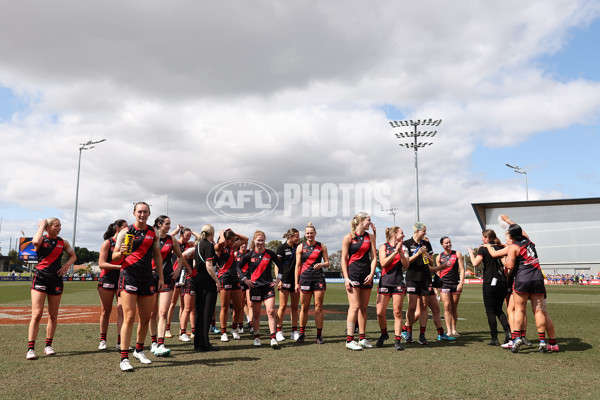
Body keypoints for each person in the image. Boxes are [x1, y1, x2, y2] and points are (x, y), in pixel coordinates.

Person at [485, 215, 559, 353]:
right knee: (539, 311)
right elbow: (521, 230)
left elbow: (509, 265)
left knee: (518, 309)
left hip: (523, 280)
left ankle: (516, 338)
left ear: (512, 237)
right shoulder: (528, 240)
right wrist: (508, 221)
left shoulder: (513, 247)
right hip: (537, 278)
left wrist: (489, 248)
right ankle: (542, 341)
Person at [113, 201, 164, 372]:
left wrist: (161, 277)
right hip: (129, 276)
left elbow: (157, 255)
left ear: (149, 214)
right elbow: (114, 258)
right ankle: (124, 358)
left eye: (145, 212)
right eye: (139, 212)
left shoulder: (153, 232)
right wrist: (122, 251)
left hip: (147, 277)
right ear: (134, 213)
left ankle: (139, 350)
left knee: (146, 317)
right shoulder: (125, 232)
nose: (142, 214)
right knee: (129, 317)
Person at [27, 218, 77, 360]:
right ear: (48, 227)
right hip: (41, 278)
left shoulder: (63, 242)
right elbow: (35, 242)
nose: (59, 228)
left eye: (60, 225)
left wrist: (67, 265)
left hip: (56, 280)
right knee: (36, 314)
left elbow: (73, 256)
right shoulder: (41, 239)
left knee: (53, 315)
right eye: (56, 226)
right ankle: (31, 348)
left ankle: (48, 345)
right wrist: (41, 226)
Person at [402, 222, 455, 345]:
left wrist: (427, 256)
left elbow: (430, 263)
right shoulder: (407, 244)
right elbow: (406, 262)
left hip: (425, 278)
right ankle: (408, 331)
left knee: (424, 306)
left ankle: (422, 335)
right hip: (412, 278)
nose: (425, 233)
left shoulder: (426, 244)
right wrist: (417, 253)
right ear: (416, 231)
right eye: (423, 231)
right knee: (412, 306)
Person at [149, 216, 192, 356]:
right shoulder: (151, 238)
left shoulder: (171, 240)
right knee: (152, 313)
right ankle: (153, 342)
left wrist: (178, 270)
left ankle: (161, 343)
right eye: (167, 224)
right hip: (151, 277)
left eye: (169, 224)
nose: (169, 226)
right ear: (159, 224)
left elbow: (180, 257)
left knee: (163, 312)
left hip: (167, 278)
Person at [237, 231, 283, 349]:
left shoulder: (270, 254)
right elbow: (238, 267)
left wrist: (277, 281)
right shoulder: (249, 255)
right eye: (258, 240)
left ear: (265, 241)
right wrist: (245, 280)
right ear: (254, 241)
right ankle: (256, 337)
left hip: (268, 287)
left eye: (262, 240)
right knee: (256, 314)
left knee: (271, 311)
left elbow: (281, 266)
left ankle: (273, 338)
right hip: (255, 288)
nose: (260, 242)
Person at [181, 224, 221, 351]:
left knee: (199, 311)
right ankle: (204, 344)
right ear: (212, 234)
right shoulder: (208, 245)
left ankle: (198, 343)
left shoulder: (198, 245)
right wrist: (217, 281)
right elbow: (209, 265)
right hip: (206, 280)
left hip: (197, 279)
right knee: (207, 312)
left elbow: (194, 263)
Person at [468, 229, 511, 345]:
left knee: (490, 311)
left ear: (487, 238)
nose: (482, 239)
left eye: (483, 237)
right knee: (498, 309)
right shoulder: (500, 247)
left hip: (490, 282)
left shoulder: (483, 248)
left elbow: (475, 263)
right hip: (502, 281)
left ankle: (494, 338)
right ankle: (508, 332)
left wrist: (471, 254)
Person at [341, 212, 377, 351]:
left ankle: (362, 338)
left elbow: (374, 257)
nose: (370, 222)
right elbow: (344, 259)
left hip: (366, 275)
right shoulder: (348, 237)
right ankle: (350, 340)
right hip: (353, 275)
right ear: (361, 221)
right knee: (354, 307)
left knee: (363, 308)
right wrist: (346, 278)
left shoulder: (371, 237)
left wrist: (372, 273)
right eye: (368, 220)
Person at [295, 223, 329, 344]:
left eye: (311, 233)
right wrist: (296, 282)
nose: (309, 235)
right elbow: (298, 265)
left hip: (318, 279)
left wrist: (321, 264)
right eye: (308, 233)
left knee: (318, 307)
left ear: (315, 233)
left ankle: (319, 335)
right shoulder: (300, 247)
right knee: (304, 307)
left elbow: (327, 262)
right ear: (305, 234)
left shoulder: (322, 246)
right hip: (305, 279)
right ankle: (302, 333)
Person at [375, 226, 409, 350]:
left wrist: (400, 251)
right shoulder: (383, 247)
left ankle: (397, 340)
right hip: (385, 282)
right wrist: (395, 251)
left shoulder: (404, 248)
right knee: (379, 313)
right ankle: (384, 334)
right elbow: (383, 263)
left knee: (397, 312)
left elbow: (406, 265)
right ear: (394, 234)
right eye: (402, 233)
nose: (404, 235)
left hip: (398, 283)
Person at [97, 219, 128, 351]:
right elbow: (101, 264)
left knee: (122, 310)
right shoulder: (108, 243)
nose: (129, 230)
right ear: (118, 229)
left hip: (123, 280)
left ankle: (120, 342)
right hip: (107, 279)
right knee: (106, 311)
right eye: (126, 228)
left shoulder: (128, 243)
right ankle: (103, 340)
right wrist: (119, 267)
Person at [215, 229, 248, 342]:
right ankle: (223, 332)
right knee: (224, 306)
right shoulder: (219, 247)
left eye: (235, 241)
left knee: (238, 306)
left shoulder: (233, 247)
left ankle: (234, 329)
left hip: (235, 278)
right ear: (226, 239)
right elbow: (221, 242)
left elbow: (245, 239)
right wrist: (222, 232)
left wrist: (234, 233)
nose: (234, 243)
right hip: (224, 278)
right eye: (232, 240)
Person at [165, 226, 196, 339]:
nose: (188, 237)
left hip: (185, 276)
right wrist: (177, 230)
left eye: (190, 235)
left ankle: (181, 329)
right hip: (175, 275)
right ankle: (167, 329)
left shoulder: (190, 245)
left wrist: (192, 231)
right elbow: (169, 237)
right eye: (186, 235)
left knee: (184, 305)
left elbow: (200, 241)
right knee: (172, 304)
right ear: (181, 235)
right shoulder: (175, 242)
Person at [436, 236, 465, 337]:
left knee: (454, 307)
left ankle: (454, 329)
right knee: (447, 306)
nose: (448, 244)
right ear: (442, 245)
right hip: (444, 284)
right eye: (446, 243)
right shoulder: (439, 257)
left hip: (455, 283)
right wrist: (436, 288)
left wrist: (461, 283)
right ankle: (448, 330)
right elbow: (438, 273)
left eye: (449, 242)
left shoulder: (457, 254)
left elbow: (462, 269)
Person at [276, 228, 301, 342]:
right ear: (290, 237)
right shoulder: (281, 248)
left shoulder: (299, 247)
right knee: (283, 306)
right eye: (296, 236)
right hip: (284, 279)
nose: (298, 238)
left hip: (296, 280)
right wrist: (278, 280)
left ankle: (294, 331)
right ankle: (278, 331)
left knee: (295, 307)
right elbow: (277, 265)